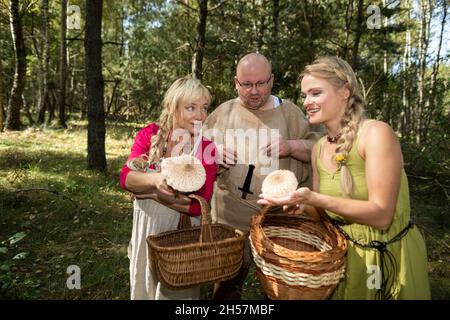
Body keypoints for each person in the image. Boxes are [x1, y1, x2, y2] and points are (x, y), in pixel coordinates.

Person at [258, 56, 431, 300]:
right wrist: (301, 204)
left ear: (344, 92)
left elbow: (382, 216)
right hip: (343, 261)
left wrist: (316, 198)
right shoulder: (318, 148)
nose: (307, 102)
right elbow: (321, 214)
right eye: (305, 95)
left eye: (316, 93)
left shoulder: (376, 134)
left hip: (389, 257)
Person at [203, 52, 321, 299]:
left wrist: (291, 146)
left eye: (260, 83)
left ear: (272, 81)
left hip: (277, 221)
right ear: (236, 83)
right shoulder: (223, 113)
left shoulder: (289, 112)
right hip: (229, 219)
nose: (254, 91)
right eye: (246, 84)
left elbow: (319, 147)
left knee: (278, 290)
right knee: (226, 288)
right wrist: (212, 152)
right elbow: (196, 151)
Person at [119, 75, 217, 300]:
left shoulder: (207, 148)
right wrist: (156, 183)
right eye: (191, 107)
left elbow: (196, 206)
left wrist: (147, 192)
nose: (200, 115)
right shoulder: (150, 134)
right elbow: (126, 178)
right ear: (173, 107)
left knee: (175, 293)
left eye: (204, 108)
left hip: (180, 236)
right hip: (146, 229)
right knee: (144, 285)